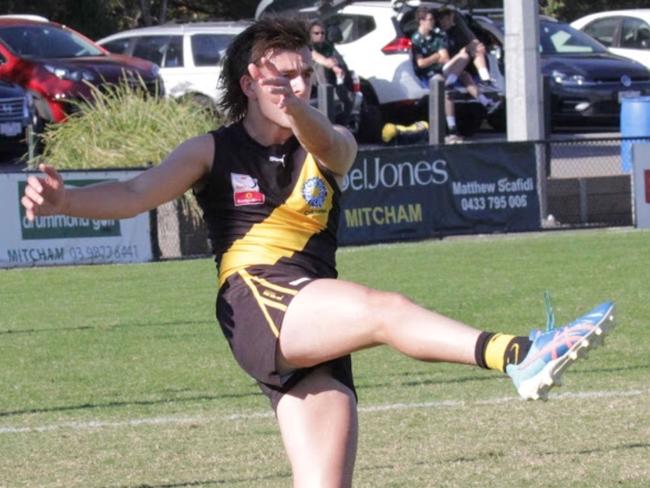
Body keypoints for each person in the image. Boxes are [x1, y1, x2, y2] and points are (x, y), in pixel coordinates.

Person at [21, 17, 616, 487]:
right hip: (260, 301)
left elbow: (327, 141)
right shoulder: (210, 149)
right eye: (284, 77)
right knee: (385, 309)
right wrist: (63, 201)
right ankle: (519, 355)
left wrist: (296, 106)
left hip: (313, 314)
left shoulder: (331, 144)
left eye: (305, 74)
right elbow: (133, 193)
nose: (300, 86)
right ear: (251, 83)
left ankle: (521, 358)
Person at [410, 6, 461, 140]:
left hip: (442, 68)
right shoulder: (416, 39)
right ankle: (451, 129)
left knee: (464, 58)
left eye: (433, 19)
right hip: (428, 73)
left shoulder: (438, 35)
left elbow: (445, 57)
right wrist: (436, 56)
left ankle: (484, 99)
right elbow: (421, 63)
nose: (432, 22)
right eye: (429, 19)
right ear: (421, 21)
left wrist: (436, 57)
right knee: (443, 87)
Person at [436, 7, 493, 84]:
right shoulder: (439, 35)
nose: (442, 21)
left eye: (444, 18)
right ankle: (449, 84)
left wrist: (471, 47)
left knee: (476, 50)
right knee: (464, 56)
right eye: (440, 19)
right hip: (446, 66)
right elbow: (444, 58)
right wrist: (462, 52)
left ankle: (486, 79)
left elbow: (474, 41)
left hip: (460, 64)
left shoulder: (457, 31)